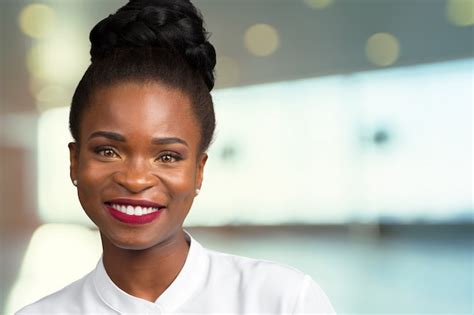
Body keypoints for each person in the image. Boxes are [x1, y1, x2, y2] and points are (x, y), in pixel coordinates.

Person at [16, 0, 335, 313]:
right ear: (75, 162)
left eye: (167, 156)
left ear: (199, 171)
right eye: (108, 151)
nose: (135, 179)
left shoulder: (283, 300)